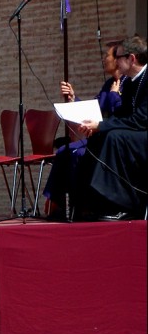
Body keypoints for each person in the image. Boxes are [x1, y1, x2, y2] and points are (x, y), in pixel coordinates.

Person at [43, 41, 126, 220]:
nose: (104, 59)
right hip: (97, 136)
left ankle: (81, 206)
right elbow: (93, 108)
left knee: (77, 153)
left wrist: (113, 96)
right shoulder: (109, 84)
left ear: (118, 60)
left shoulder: (127, 84)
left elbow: (120, 114)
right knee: (64, 150)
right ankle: (57, 203)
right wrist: (74, 99)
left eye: (108, 56)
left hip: (113, 139)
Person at [72, 34, 148, 220]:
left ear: (131, 59)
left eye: (119, 57)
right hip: (137, 131)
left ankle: (118, 204)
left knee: (115, 137)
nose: (116, 61)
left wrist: (102, 125)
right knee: (100, 136)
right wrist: (98, 127)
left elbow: (141, 119)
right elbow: (122, 115)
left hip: (143, 131)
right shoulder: (131, 82)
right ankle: (90, 202)